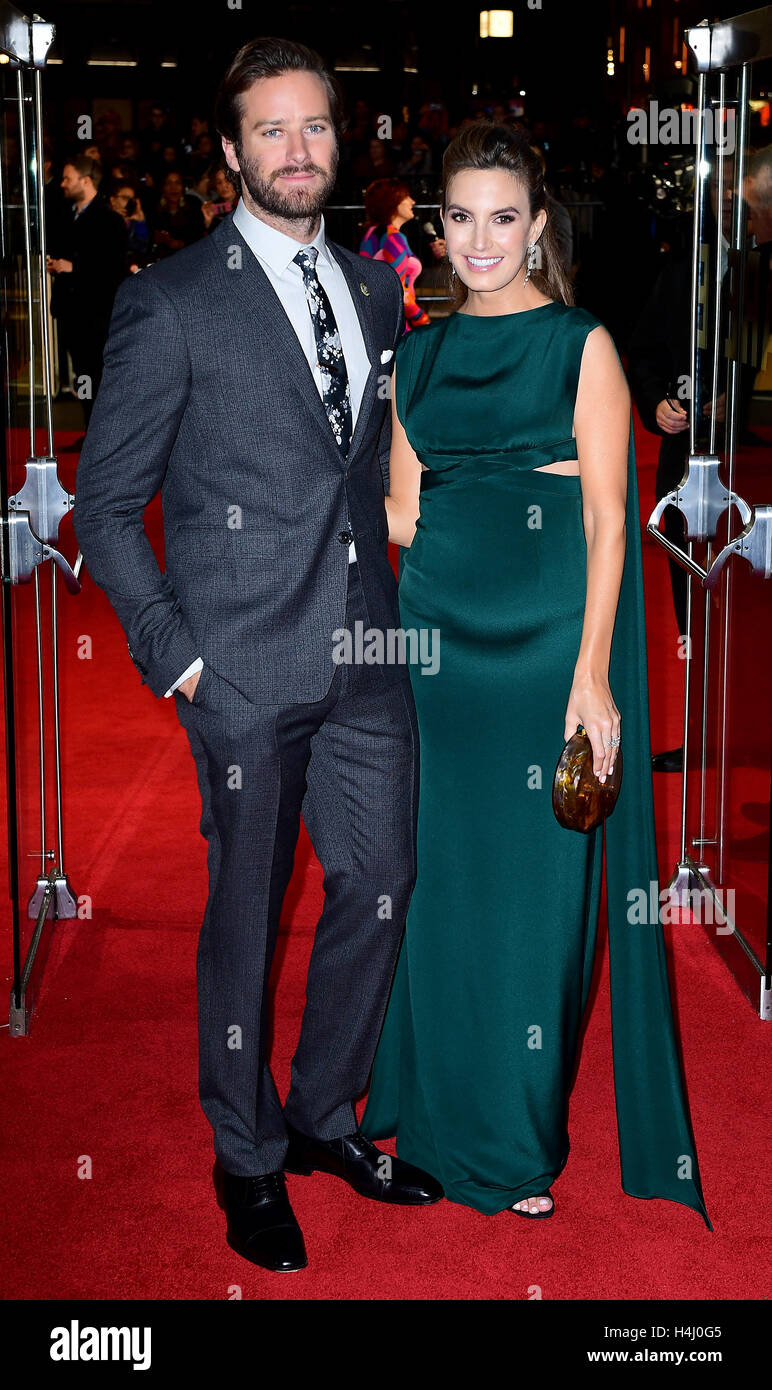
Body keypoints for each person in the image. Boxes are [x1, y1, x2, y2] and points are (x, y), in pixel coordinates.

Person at [72, 37, 443, 1277]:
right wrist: (181, 661)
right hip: (235, 672)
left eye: (317, 129)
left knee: (379, 882)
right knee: (242, 916)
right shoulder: (169, 299)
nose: (298, 152)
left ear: (342, 143)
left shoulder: (376, 288)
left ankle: (320, 1115)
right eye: (271, 132)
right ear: (231, 151)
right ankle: (244, 1155)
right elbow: (106, 507)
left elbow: (372, 469)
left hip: (366, 659)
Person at [360, 121, 713, 1231]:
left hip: (548, 649)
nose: (478, 239)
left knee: (537, 907)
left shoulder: (581, 344)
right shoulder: (415, 355)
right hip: (438, 651)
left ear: (536, 227)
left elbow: (610, 523)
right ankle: (429, 1117)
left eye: (500, 217)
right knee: (442, 890)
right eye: (458, 216)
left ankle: (514, 1143)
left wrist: (594, 675)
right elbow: (405, 514)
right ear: (437, 227)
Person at [46, 154, 127, 426]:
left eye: (68, 178)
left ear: (86, 180)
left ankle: (102, 433)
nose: (62, 184)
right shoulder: (68, 216)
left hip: (96, 312)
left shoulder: (109, 220)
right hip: (71, 310)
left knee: (97, 372)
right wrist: (56, 263)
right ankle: (89, 428)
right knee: (82, 373)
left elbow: (113, 267)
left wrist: (74, 267)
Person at [359, 179, 433, 330]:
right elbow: (399, 292)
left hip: (377, 319)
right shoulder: (393, 238)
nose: (412, 202)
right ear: (392, 202)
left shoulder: (372, 234)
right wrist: (422, 319)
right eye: (406, 197)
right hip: (396, 324)